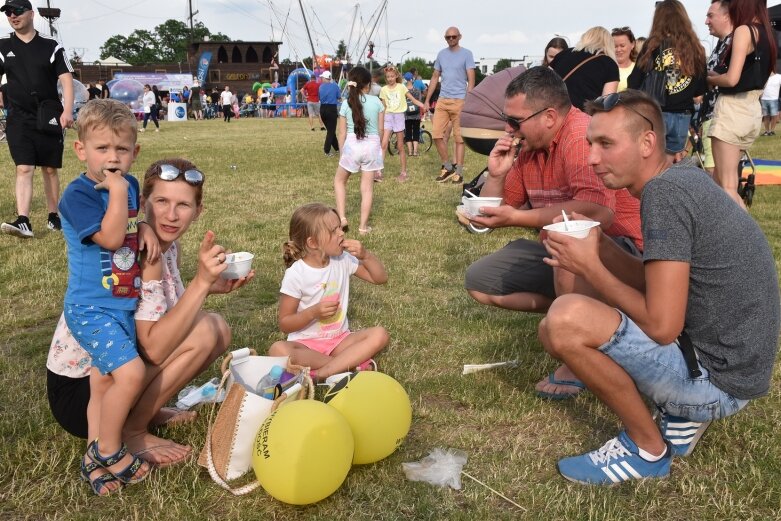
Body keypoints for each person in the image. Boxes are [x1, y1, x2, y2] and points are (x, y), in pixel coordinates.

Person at [539, 89, 779, 485]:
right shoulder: (681, 178)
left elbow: (663, 326)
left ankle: (648, 450)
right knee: (550, 328)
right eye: (590, 144)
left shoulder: (664, 195)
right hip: (729, 370)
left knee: (566, 319)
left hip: (718, 384)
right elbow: (657, 284)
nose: (593, 158)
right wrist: (599, 246)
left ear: (647, 142)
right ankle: (682, 416)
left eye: (606, 144)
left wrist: (591, 270)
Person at [47, 153, 253, 491]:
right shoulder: (141, 252)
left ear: (198, 211)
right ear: (142, 203)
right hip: (83, 396)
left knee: (214, 328)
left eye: (183, 205)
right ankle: (133, 432)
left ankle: (148, 411)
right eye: (161, 201)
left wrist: (209, 287)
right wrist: (199, 285)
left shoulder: (167, 247)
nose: (171, 215)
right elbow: (154, 348)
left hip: (110, 380)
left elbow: (164, 313)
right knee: (207, 330)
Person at [463, 67, 642, 399]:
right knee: (481, 280)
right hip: (566, 254)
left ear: (548, 116)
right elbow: (486, 217)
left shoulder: (579, 136)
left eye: (515, 121)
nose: (508, 129)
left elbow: (594, 213)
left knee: (568, 241)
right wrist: (497, 175)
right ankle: (594, 317)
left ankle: (580, 349)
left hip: (624, 251)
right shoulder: (531, 146)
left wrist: (517, 217)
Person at [57, 99, 151, 494]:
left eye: (122, 150)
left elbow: (129, 227)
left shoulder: (129, 185)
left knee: (103, 384)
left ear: (135, 152)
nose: (112, 158)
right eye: (102, 148)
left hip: (121, 303)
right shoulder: (77, 195)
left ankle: (92, 463)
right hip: (90, 307)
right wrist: (114, 190)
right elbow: (111, 237)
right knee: (131, 375)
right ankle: (110, 450)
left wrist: (143, 224)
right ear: (81, 150)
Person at [268, 202, 389, 381]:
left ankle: (322, 374)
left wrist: (366, 256)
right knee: (278, 350)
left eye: (340, 227)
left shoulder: (343, 259)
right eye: (334, 231)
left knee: (380, 334)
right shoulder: (296, 274)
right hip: (306, 346)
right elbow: (285, 323)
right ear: (313, 242)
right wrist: (312, 312)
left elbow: (380, 278)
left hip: (340, 340)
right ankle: (345, 365)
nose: (341, 233)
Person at [0, 0, 74, 238]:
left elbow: (65, 78)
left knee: (50, 169)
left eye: (17, 11)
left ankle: (54, 217)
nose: (12, 16)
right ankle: (24, 221)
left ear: (31, 14)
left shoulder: (51, 46)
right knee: (24, 167)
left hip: (48, 116)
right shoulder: (2, 46)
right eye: (8, 12)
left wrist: (68, 110)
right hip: (18, 118)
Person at [707, 0, 777, 208]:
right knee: (722, 181)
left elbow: (731, 79)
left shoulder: (744, 31)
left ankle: (746, 238)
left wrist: (709, 79)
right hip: (752, 110)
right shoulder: (767, 34)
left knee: (727, 187)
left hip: (732, 110)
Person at [629, 0, 707, 162]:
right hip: (682, 115)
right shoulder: (696, 48)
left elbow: (634, 81)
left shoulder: (651, 46)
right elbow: (700, 88)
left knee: (650, 161)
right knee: (669, 162)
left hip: (655, 112)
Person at [333, 66, 384, 235]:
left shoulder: (346, 104)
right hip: (372, 146)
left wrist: (342, 152)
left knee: (340, 181)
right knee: (367, 189)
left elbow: (341, 132)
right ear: (368, 85)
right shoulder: (377, 102)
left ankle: (342, 218)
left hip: (351, 146)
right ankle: (363, 227)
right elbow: (381, 130)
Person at [423, 26, 475, 184]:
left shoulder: (467, 54)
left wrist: (468, 100)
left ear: (460, 37)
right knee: (437, 134)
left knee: (459, 139)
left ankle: (458, 171)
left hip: (460, 101)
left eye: (453, 36)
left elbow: (471, 80)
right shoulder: (441, 54)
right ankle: (447, 166)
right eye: (448, 37)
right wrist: (427, 100)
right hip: (442, 100)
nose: (451, 39)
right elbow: (434, 77)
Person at [698, 0, 733, 175]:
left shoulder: (732, 44)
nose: (706, 21)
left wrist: (708, 78)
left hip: (721, 118)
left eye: (710, 16)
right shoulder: (721, 44)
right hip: (713, 117)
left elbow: (729, 79)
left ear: (726, 16)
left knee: (720, 180)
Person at [550, 26, 619, 111]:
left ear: (585, 38)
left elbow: (548, 79)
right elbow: (606, 104)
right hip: (584, 117)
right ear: (609, 44)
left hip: (555, 111)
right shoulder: (609, 64)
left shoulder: (563, 54)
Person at [379, 65, 425, 182]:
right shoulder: (383, 90)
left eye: (392, 76)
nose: (390, 78)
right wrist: (381, 120)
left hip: (399, 116)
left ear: (396, 76)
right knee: (383, 144)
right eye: (388, 77)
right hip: (388, 117)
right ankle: (378, 172)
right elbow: (383, 107)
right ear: (386, 78)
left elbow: (413, 99)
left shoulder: (401, 87)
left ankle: (403, 172)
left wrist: (422, 105)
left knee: (400, 146)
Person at [319, 71, 341, 156]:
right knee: (331, 131)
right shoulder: (335, 86)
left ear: (325, 78)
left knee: (330, 130)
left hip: (323, 108)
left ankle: (337, 148)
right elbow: (339, 97)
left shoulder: (320, 87)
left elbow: (319, 98)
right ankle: (326, 150)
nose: (321, 79)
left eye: (322, 77)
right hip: (331, 108)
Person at [404, 77, 424, 157]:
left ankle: (410, 152)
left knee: (408, 132)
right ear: (412, 80)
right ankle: (415, 152)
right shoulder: (417, 90)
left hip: (406, 115)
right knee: (416, 132)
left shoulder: (403, 90)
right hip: (416, 115)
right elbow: (419, 100)